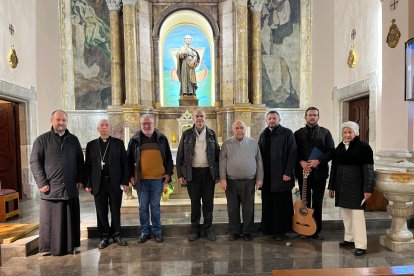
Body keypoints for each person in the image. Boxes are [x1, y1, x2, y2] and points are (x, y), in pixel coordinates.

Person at [30, 110, 84, 256]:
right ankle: (52, 248)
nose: (61, 123)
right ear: (51, 120)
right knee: (53, 221)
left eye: (64, 120)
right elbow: (35, 162)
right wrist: (41, 182)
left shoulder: (73, 139)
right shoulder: (42, 140)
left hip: (70, 187)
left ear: (67, 122)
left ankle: (70, 246)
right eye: (58, 120)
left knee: (69, 218)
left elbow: (80, 161)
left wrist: (80, 179)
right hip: (51, 188)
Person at [328, 121, 374, 256]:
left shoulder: (364, 148)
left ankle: (361, 245)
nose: (347, 135)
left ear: (356, 133)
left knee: (357, 217)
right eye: (345, 132)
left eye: (350, 132)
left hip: (357, 188)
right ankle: (349, 238)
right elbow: (334, 168)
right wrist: (331, 186)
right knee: (346, 215)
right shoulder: (339, 147)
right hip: (342, 187)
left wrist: (368, 189)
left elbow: (369, 170)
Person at [127, 114, 173, 244]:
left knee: (155, 206)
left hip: (157, 180)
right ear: (140, 125)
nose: (146, 126)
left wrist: (168, 174)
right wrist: (130, 176)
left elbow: (168, 158)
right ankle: (145, 232)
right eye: (144, 124)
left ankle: (157, 232)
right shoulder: (135, 140)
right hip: (141, 180)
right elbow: (128, 159)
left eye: (149, 123)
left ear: (154, 123)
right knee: (142, 207)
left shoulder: (162, 139)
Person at [176, 109, 220, 241]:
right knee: (195, 202)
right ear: (193, 119)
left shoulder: (212, 134)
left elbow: (217, 155)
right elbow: (180, 156)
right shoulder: (187, 134)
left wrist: (217, 174)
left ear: (205, 118)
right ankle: (194, 229)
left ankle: (208, 229)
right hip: (193, 173)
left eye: (202, 116)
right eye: (197, 116)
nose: (199, 119)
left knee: (208, 203)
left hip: (208, 173)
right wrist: (180, 175)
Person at [84, 119, 129, 249]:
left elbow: (124, 164)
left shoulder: (118, 143)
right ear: (98, 129)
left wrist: (125, 182)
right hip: (98, 182)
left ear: (111, 129)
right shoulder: (91, 145)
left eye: (106, 125)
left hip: (115, 182)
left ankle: (117, 234)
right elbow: (88, 166)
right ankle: (104, 236)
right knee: (101, 211)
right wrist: (88, 182)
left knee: (115, 210)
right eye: (101, 126)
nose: (104, 128)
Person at [294, 107, 335, 240]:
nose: (312, 117)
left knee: (317, 202)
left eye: (315, 115)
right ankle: (305, 227)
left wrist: (319, 161)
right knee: (305, 201)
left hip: (319, 173)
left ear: (318, 117)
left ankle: (317, 229)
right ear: (305, 117)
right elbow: (293, 151)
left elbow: (331, 151)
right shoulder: (297, 133)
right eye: (310, 115)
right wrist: (301, 161)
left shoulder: (325, 133)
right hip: (303, 173)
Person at [219, 120, 263, 241]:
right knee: (232, 208)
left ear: (245, 129)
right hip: (231, 181)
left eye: (242, 128)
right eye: (237, 128)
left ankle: (248, 232)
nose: (239, 130)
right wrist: (223, 179)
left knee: (248, 208)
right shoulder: (227, 143)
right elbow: (222, 162)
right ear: (233, 130)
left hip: (249, 181)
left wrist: (259, 179)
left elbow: (259, 161)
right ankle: (234, 231)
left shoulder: (253, 143)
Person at [258, 110, 297, 241]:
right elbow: (259, 156)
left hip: (281, 175)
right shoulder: (263, 134)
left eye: (274, 118)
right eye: (269, 118)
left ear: (279, 120)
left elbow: (293, 153)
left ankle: (282, 230)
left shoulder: (287, 133)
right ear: (266, 120)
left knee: (281, 204)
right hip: (267, 176)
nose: (272, 120)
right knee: (268, 202)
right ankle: (268, 228)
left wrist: (287, 172)